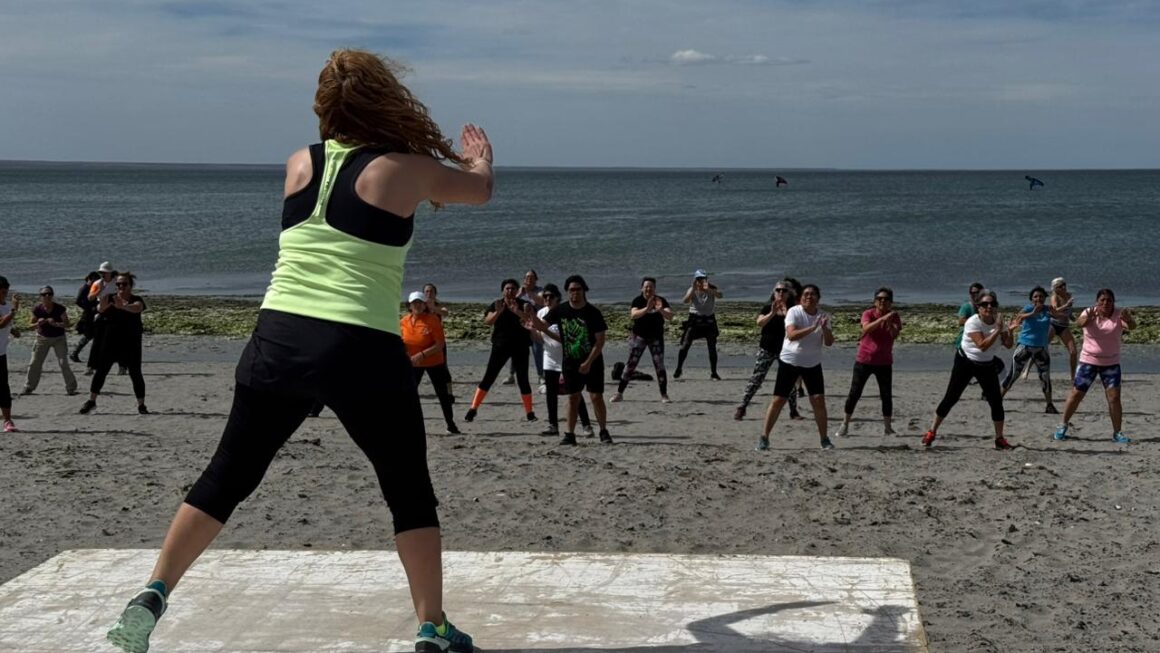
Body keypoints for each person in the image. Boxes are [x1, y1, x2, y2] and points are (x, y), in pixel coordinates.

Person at [106, 49, 493, 653]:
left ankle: (152, 593)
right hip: (359, 346)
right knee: (408, 489)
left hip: (277, 339)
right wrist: (478, 159)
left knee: (226, 476)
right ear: (387, 101)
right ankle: (433, 626)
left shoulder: (298, 164)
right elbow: (480, 192)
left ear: (325, 107)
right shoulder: (404, 168)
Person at [922, 289, 1015, 450]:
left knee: (996, 402)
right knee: (951, 397)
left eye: (992, 304)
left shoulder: (1000, 322)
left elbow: (1008, 345)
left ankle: (999, 438)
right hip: (966, 362)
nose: (989, 307)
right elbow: (982, 345)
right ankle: (932, 431)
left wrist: (1010, 331)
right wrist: (999, 330)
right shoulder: (973, 322)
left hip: (986, 365)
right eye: (985, 304)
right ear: (978, 307)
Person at [534, 274, 612, 445]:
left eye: (577, 289)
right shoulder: (560, 310)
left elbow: (600, 342)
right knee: (573, 397)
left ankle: (603, 431)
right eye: (571, 290)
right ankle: (569, 434)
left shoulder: (593, 313)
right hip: (570, 362)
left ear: (584, 291)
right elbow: (542, 326)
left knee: (595, 397)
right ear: (567, 292)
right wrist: (528, 316)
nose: (574, 293)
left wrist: (588, 362)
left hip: (593, 361)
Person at [1052, 289, 1137, 444]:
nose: (1105, 303)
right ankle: (1062, 425)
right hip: (1088, 361)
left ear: (1113, 302)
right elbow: (1078, 324)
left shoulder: (1118, 314)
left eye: (1109, 300)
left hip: (1111, 363)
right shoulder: (1089, 312)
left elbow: (1132, 327)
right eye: (1102, 300)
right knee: (1077, 394)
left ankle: (1117, 432)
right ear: (1097, 302)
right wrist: (1088, 319)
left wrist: (1129, 319)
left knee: (1114, 398)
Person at [756, 284, 834, 451]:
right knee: (778, 400)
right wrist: (813, 327)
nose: (809, 297)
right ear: (800, 298)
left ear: (818, 298)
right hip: (789, 361)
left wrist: (825, 328)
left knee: (818, 400)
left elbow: (828, 342)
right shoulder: (794, 312)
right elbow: (791, 335)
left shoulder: (824, 316)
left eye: (813, 294)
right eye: (806, 294)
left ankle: (824, 439)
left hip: (812, 363)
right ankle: (764, 437)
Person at [463, 278, 538, 424]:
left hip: (520, 346)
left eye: (513, 289)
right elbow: (488, 321)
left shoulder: (524, 304)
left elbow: (531, 320)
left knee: (523, 379)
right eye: (507, 288)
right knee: (489, 377)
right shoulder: (497, 304)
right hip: (500, 346)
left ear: (517, 291)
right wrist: (498, 312)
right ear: (503, 290)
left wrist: (516, 311)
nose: (510, 291)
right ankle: (473, 409)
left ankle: (529, 413)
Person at [835, 287, 902, 437]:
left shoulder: (894, 316)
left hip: (884, 361)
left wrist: (890, 323)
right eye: (879, 299)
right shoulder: (868, 314)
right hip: (864, 360)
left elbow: (895, 334)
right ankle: (844, 424)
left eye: (886, 299)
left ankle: (887, 427)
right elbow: (866, 328)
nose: (882, 302)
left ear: (891, 302)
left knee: (886, 395)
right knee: (855, 393)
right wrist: (881, 319)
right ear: (875, 301)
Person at [79, 273, 148, 415]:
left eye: (124, 284)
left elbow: (138, 308)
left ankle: (141, 405)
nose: (121, 287)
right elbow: (99, 308)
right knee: (101, 371)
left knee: (135, 373)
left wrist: (123, 306)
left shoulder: (136, 299)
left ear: (130, 285)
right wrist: (103, 305)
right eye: (118, 284)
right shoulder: (109, 298)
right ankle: (91, 401)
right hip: (110, 340)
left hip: (131, 341)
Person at [534, 283, 594, 437]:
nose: (547, 299)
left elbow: (567, 338)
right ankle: (553, 425)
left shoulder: (562, 312)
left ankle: (586, 425)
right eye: (544, 296)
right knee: (551, 393)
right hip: (549, 357)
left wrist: (543, 329)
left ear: (557, 298)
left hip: (566, 357)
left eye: (550, 296)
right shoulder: (541, 313)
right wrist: (529, 326)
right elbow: (538, 338)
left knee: (574, 392)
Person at [734, 281, 799, 421]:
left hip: (786, 350)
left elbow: (795, 326)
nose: (781, 293)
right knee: (756, 378)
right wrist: (772, 312)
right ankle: (742, 407)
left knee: (790, 382)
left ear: (789, 294)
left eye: (784, 290)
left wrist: (785, 310)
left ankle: (793, 411)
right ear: (774, 292)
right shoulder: (766, 307)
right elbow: (759, 323)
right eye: (778, 290)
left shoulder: (793, 310)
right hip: (767, 349)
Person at [402, 291, 459, 435]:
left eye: (420, 302)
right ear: (409, 305)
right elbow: (401, 342)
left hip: (434, 362)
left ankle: (450, 424)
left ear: (424, 305)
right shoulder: (404, 321)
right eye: (414, 303)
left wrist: (421, 355)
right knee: (408, 394)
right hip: (414, 364)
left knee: (442, 395)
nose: (417, 305)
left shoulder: (432, 320)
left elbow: (440, 344)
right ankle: (407, 424)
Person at [610, 277, 672, 404]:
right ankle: (619, 393)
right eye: (646, 286)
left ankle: (664, 395)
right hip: (639, 337)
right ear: (642, 288)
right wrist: (647, 308)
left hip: (656, 338)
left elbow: (670, 316)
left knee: (659, 366)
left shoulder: (660, 300)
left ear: (655, 288)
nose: (648, 289)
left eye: (651, 286)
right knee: (630, 366)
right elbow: (633, 314)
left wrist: (659, 309)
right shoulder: (637, 300)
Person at [1001, 286, 1059, 414]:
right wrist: (1033, 313)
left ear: (1045, 298)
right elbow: (1018, 318)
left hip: (1041, 349)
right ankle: (998, 400)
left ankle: (1049, 405)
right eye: (1035, 296)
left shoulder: (1047, 310)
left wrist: (1058, 309)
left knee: (1045, 378)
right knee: (1013, 375)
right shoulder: (1028, 308)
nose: (1038, 299)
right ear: (1031, 299)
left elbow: (1059, 316)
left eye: (1041, 296)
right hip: (1024, 346)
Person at [20, 285, 78, 396]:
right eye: (44, 294)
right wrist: (38, 323)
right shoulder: (37, 309)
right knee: (34, 363)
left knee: (63, 363)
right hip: (42, 338)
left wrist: (55, 324)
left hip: (58, 338)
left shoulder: (59, 308)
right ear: (40, 297)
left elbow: (67, 324)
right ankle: (29, 387)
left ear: (52, 295)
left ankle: (71, 388)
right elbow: (30, 326)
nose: (47, 296)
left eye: (49, 294)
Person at [674, 269, 723, 380]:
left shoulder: (711, 289)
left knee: (712, 347)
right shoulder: (692, 290)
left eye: (703, 279)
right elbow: (685, 301)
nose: (701, 281)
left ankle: (713, 372)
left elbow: (720, 295)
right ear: (695, 280)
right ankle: (679, 368)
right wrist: (693, 289)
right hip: (695, 320)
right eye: (699, 279)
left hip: (709, 320)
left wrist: (710, 290)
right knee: (685, 346)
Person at [505, 269, 545, 389]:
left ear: (536, 280)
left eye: (532, 278)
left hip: (534, 324)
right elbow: (511, 303)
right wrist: (519, 294)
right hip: (520, 325)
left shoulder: (540, 291)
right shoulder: (519, 291)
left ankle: (540, 375)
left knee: (537, 349)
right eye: (527, 278)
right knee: (515, 350)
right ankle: (512, 375)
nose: (529, 280)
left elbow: (542, 301)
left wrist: (529, 292)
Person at [422, 283, 453, 401]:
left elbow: (445, 313)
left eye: (431, 291)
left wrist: (433, 308)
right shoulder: (420, 306)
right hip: (423, 341)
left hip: (438, 342)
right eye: (426, 292)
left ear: (435, 293)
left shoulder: (439, 306)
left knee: (443, 367)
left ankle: (449, 393)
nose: (429, 294)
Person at [1048, 277, 1078, 380]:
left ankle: (1073, 376)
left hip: (1064, 326)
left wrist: (1076, 319)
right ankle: (1027, 370)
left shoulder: (1069, 296)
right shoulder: (1054, 297)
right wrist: (1066, 305)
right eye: (1060, 286)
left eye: (1064, 285)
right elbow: (1055, 311)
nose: (1064, 287)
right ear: (1055, 288)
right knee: (1040, 347)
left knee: (1073, 351)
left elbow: (1069, 313)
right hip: (1053, 324)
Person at [0, 277, 20, 433]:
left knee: (3, 388)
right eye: (2, 291)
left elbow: (6, 325)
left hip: (1, 352)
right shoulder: (9, 309)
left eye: (6, 291)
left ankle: (8, 420)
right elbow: (0, 324)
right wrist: (13, 311)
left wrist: (13, 331)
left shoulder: (6, 306)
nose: (4, 294)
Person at [70, 271, 101, 364]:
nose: (95, 282)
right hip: (88, 315)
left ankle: (75, 353)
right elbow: (78, 301)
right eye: (94, 280)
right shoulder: (84, 288)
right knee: (89, 335)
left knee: (93, 335)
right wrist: (88, 308)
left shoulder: (94, 288)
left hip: (95, 313)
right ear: (89, 279)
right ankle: (74, 353)